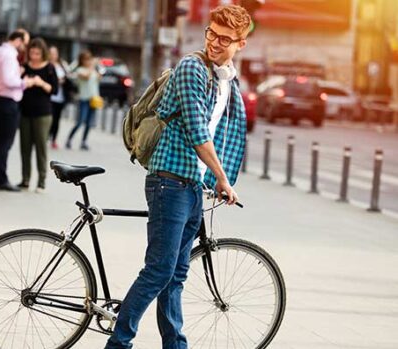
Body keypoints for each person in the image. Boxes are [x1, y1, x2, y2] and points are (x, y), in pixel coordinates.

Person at [105, 4, 249, 349]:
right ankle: (118, 343)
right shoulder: (191, 68)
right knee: (159, 270)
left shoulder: (224, 78)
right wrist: (222, 178)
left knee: (175, 276)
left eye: (224, 38)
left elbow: (224, 130)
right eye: (211, 33)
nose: (214, 42)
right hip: (169, 182)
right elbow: (198, 131)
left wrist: (215, 179)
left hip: (191, 186)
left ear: (241, 43)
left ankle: (175, 344)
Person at [0, 30, 33, 192]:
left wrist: (16, 74)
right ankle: (1, 179)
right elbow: (8, 79)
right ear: (18, 40)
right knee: (4, 143)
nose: (24, 47)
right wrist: (24, 82)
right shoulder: (9, 55)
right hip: (7, 101)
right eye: (25, 43)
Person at [18, 38, 58, 193]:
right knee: (25, 147)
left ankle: (41, 181)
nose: (34, 56)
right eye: (32, 53)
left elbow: (54, 90)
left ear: (43, 53)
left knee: (41, 147)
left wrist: (40, 82)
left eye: (38, 53)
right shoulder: (24, 68)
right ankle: (25, 179)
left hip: (43, 113)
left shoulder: (49, 68)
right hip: (25, 112)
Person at [65, 50, 100, 151]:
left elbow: (98, 78)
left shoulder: (93, 70)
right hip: (84, 99)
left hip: (94, 99)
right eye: (86, 59)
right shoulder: (80, 70)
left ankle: (84, 141)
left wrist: (97, 69)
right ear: (82, 60)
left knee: (89, 123)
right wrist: (92, 66)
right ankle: (69, 139)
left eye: (89, 59)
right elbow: (87, 77)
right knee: (80, 121)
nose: (88, 61)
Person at [48, 45, 69, 149]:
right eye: (51, 53)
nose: (53, 56)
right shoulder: (47, 65)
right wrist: (56, 81)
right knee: (49, 119)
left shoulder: (61, 65)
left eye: (55, 53)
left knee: (56, 120)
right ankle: (47, 136)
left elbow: (67, 77)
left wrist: (64, 80)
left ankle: (54, 139)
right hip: (50, 97)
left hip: (60, 97)